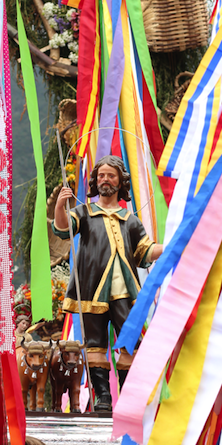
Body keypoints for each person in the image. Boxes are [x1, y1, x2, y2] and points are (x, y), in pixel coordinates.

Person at [52, 154, 163, 410]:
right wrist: (60, 207)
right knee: (94, 343)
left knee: (131, 342)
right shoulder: (85, 212)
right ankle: (103, 397)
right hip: (92, 288)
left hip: (124, 290)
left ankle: (129, 397)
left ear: (120, 181)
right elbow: (63, 229)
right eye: (101, 175)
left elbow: (145, 251)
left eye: (110, 175)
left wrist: (168, 248)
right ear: (95, 181)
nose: (105, 179)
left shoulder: (130, 220)